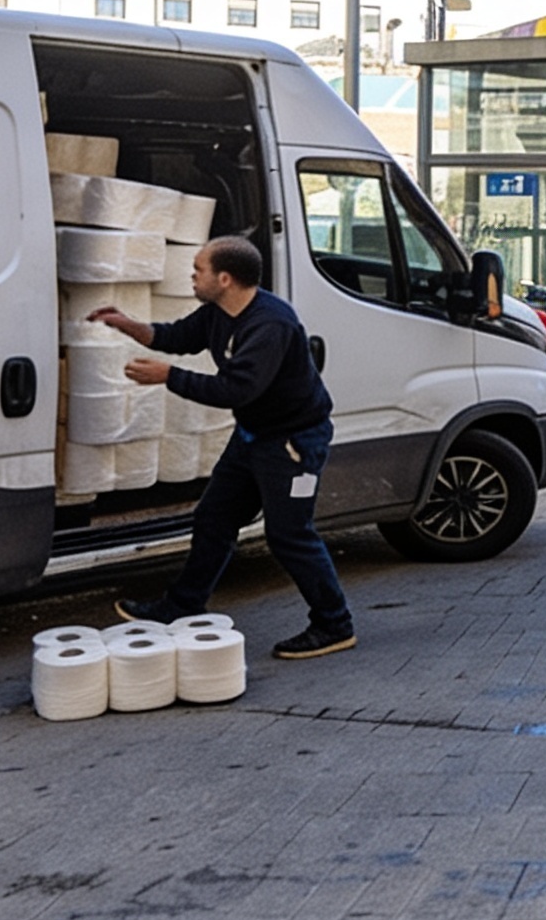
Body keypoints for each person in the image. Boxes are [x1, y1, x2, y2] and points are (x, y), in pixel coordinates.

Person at [90, 235, 356, 660]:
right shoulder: (219, 311)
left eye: (198, 270)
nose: (192, 276)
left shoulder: (270, 324)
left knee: (289, 534)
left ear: (225, 278)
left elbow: (238, 389)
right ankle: (183, 604)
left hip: (293, 444)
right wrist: (128, 324)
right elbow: (177, 336)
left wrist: (168, 377)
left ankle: (334, 623)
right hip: (253, 436)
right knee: (214, 517)